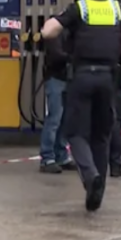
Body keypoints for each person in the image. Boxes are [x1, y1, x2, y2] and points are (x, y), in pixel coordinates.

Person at [41, 0, 121, 212]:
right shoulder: (118, 8)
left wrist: (57, 20)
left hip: (82, 77)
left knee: (75, 133)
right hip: (109, 79)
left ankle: (90, 176)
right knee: (102, 135)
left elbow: (48, 32)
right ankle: (98, 192)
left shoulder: (79, 8)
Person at [39, 31, 76, 174]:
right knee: (54, 118)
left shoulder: (71, 31)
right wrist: (74, 57)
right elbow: (55, 55)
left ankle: (61, 155)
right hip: (56, 78)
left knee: (65, 119)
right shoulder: (55, 32)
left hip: (68, 78)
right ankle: (47, 158)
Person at [109, 54, 121, 178]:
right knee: (115, 122)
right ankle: (115, 165)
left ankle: (94, 166)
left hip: (90, 73)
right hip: (115, 73)